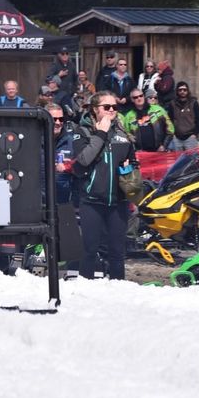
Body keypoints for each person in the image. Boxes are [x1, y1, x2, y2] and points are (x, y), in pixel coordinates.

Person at [72, 91, 136, 280]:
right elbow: (83, 160)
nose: (111, 111)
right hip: (92, 200)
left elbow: (133, 161)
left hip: (118, 201)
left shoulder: (123, 133)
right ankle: (86, 288)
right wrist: (101, 133)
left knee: (117, 252)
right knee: (89, 249)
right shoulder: (82, 131)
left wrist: (129, 169)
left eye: (114, 107)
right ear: (94, 109)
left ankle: (117, 290)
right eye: (106, 107)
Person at [164, 81, 199, 150]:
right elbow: (169, 121)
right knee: (178, 160)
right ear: (177, 91)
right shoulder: (172, 104)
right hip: (176, 138)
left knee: (191, 160)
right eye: (180, 90)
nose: (182, 91)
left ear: (188, 91)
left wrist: (194, 134)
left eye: (184, 90)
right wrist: (172, 134)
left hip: (190, 138)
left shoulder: (194, 103)